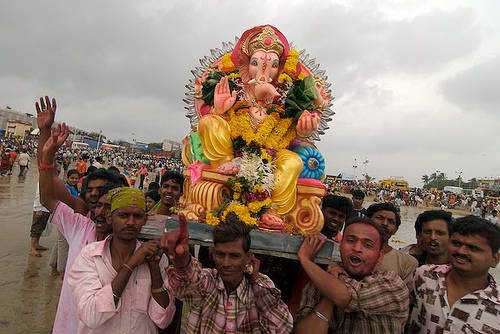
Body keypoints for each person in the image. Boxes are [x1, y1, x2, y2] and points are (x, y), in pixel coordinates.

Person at [36, 96, 121, 333]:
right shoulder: (79, 226)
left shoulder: (130, 239)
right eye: (90, 191)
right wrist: (45, 137)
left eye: (102, 192)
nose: (95, 197)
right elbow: (48, 187)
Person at [68, 187, 175, 333]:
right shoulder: (90, 256)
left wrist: (154, 268)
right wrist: (131, 264)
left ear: (145, 219)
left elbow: (163, 320)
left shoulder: (156, 258)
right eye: (123, 215)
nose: (131, 222)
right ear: (109, 217)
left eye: (137, 216)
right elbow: (91, 315)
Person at [162, 215, 293, 333]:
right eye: (220, 254)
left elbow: (281, 328)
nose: (226, 263)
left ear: (248, 257)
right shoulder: (208, 280)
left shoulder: (261, 286)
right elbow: (188, 280)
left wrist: (255, 282)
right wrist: (181, 258)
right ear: (213, 254)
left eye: (234, 256)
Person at [295, 217, 409, 333]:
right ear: (340, 246)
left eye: (368, 245)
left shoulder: (392, 283)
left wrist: (305, 259)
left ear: (379, 256)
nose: (357, 248)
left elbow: (346, 297)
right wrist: (330, 289)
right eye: (350, 240)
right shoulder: (319, 282)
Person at [407, 216, 500, 333]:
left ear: (494, 259)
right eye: (456, 243)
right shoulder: (424, 275)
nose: (461, 251)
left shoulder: (497, 305)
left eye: (473, 248)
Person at [366, 202, 418, 285]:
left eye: (390, 221)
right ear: (367, 221)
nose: (385, 223)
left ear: (396, 230)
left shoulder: (407, 263)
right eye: (380, 218)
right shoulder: (350, 251)